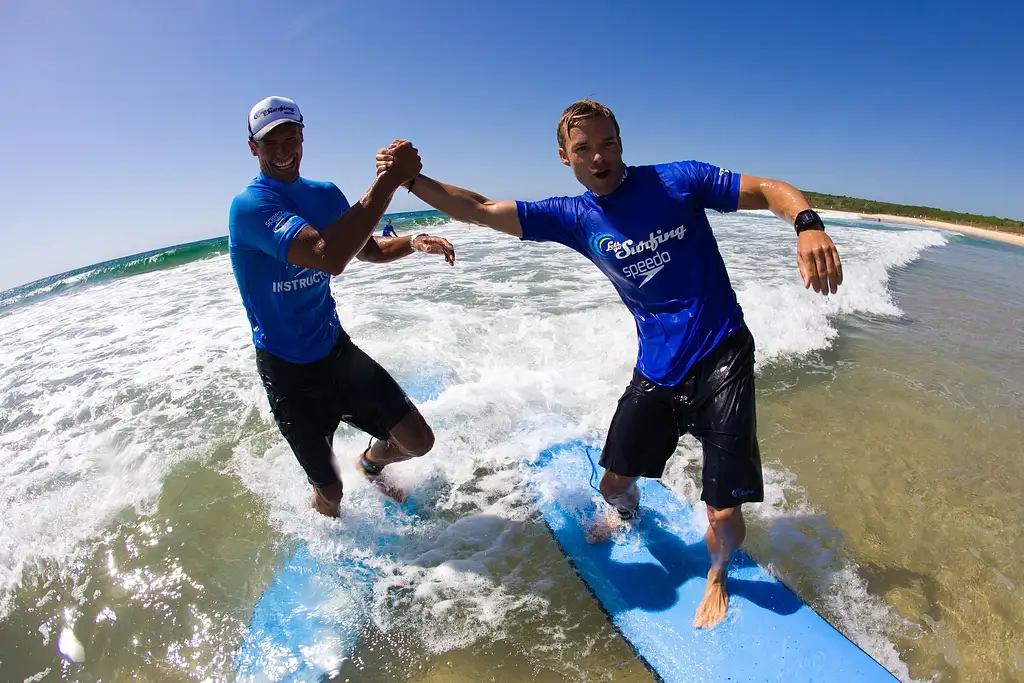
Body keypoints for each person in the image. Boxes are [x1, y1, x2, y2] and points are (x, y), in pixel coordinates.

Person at [377, 99, 843, 629]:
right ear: (564, 157)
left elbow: (767, 189)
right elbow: (480, 209)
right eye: (584, 149)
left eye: (608, 144)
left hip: (721, 353)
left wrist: (806, 223)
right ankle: (627, 516)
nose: (599, 157)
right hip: (657, 367)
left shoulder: (678, 182)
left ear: (621, 143)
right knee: (613, 484)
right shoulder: (574, 217)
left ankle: (717, 573)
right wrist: (412, 181)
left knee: (724, 509)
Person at [228, 96, 457, 518]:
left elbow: (366, 250)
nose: (282, 152)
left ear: (302, 136)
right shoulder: (250, 207)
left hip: (336, 352)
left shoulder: (325, 194)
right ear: (252, 149)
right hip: (287, 371)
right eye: (269, 144)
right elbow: (328, 256)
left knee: (417, 441)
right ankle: (330, 545)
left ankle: (369, 463)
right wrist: (390, 179)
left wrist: (411, 241)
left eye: (290, 139)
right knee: (331, 494)